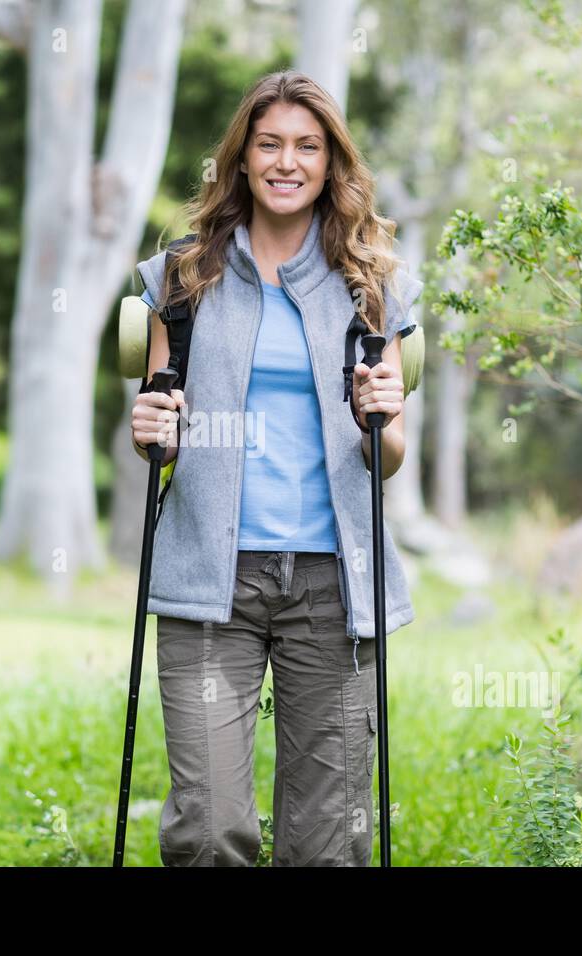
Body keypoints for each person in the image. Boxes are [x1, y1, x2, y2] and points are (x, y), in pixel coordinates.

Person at [128, 70, 423, 867]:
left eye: (307, 146)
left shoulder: (371, 283)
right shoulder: (185, 277)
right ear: (242, 157)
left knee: (326, 842)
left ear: (331, 162)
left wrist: (382, 415)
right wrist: (151, 424)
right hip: (208, 580)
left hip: (333, 583)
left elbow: (387, 458)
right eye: (269, 144)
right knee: (211, 825)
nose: (286, 162)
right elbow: (161, 430)